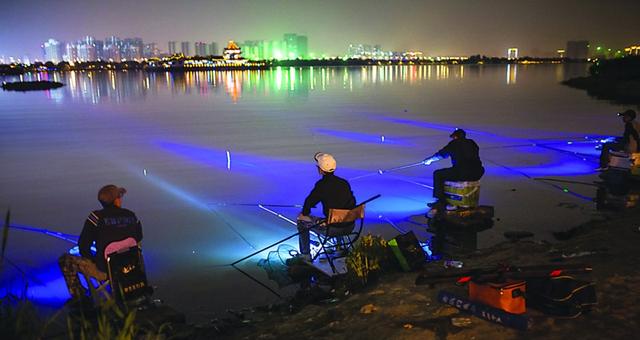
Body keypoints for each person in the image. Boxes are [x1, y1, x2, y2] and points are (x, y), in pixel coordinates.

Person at [59, 184, 143, 301]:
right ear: (116, 201)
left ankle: (81, 300)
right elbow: (138, 237)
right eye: (119, 197)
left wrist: (94, 261)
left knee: (65, 260)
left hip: (106, 271)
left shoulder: (95, 218)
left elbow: (83, 246)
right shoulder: (131, 215)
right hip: (131, 268)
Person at [296, 152, 356, 261]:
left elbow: (308, 204)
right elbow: (352, 202)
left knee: (301, 221)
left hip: (332, 229)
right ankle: (339, 248)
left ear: (320, 169)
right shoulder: (344, 183)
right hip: (350, 225)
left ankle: (305, 254)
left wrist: (305, 213)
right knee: (338, 214)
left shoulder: (321, 185)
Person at [423, 128, 485, 210]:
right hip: (478, 171)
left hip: (463, 172)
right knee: (453, 172)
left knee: (438, 174)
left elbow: (442, 154)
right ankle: (454, 197)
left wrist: (429, 160)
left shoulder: (454, 143)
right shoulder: (472, 143)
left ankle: (440, 201)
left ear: (455, 137)